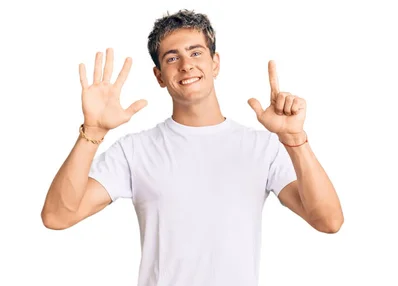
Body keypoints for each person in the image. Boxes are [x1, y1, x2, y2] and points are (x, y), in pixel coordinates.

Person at [40, 9, 343, 286]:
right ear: (159, 76)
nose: (186, 65)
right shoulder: (134, 151)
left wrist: (295, 141)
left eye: (195, 52)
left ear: (215, 63)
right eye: (172, 58)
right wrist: (91, 132)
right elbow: (57, 216)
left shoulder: (262, 147)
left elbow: (328, 221)